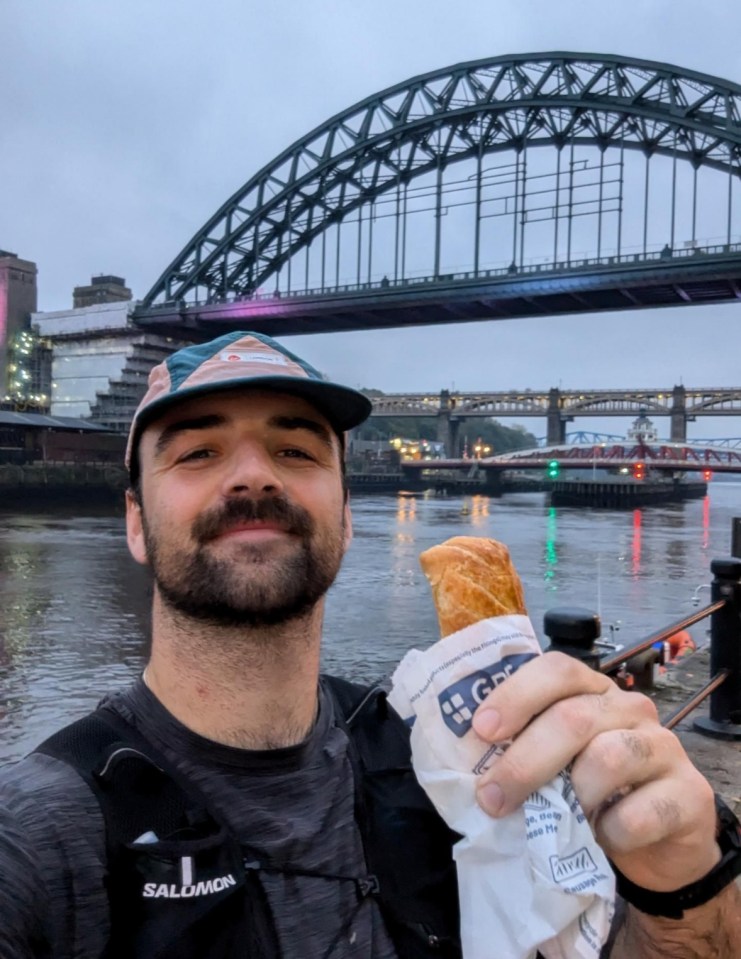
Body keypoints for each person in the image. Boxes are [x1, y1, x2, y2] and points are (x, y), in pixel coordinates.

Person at [0, 330, 739, 959]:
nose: (254, 474)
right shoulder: (44, 832)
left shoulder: (452, 760)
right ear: (134, 521)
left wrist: (682, 883)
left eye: (295, 450)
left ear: (347, 516)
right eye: (196, 452)